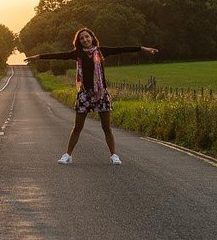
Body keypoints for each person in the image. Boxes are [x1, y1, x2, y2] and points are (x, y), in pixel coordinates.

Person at [24, 27, 158, 165]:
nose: (85, 40)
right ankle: (68, 155)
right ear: (79, 41)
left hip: (101, 94)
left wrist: (143, 48)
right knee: (77, 127)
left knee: (106, 127)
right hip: (85, 95)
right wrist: (37, 57)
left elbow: (122, 49)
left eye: (87, 37)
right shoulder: (77, 54)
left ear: (92, 37)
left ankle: (114, 155)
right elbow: (58, 55)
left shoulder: (101, 51)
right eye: (82, 38)